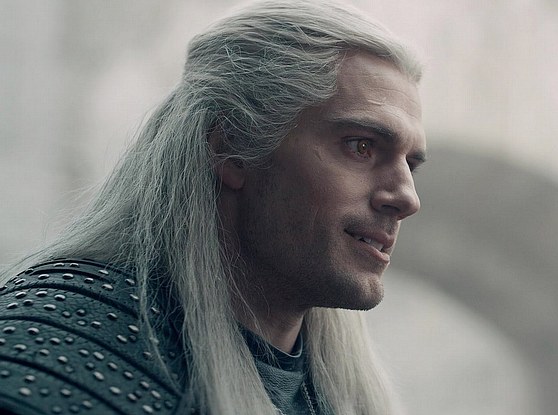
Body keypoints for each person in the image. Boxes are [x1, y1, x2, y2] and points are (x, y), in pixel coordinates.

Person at [0, 0, 426, 414]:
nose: (408, 198)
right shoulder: (48, 363)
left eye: (410, 164)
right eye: (361, 146)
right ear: (230, 148)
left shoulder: (341, 393)